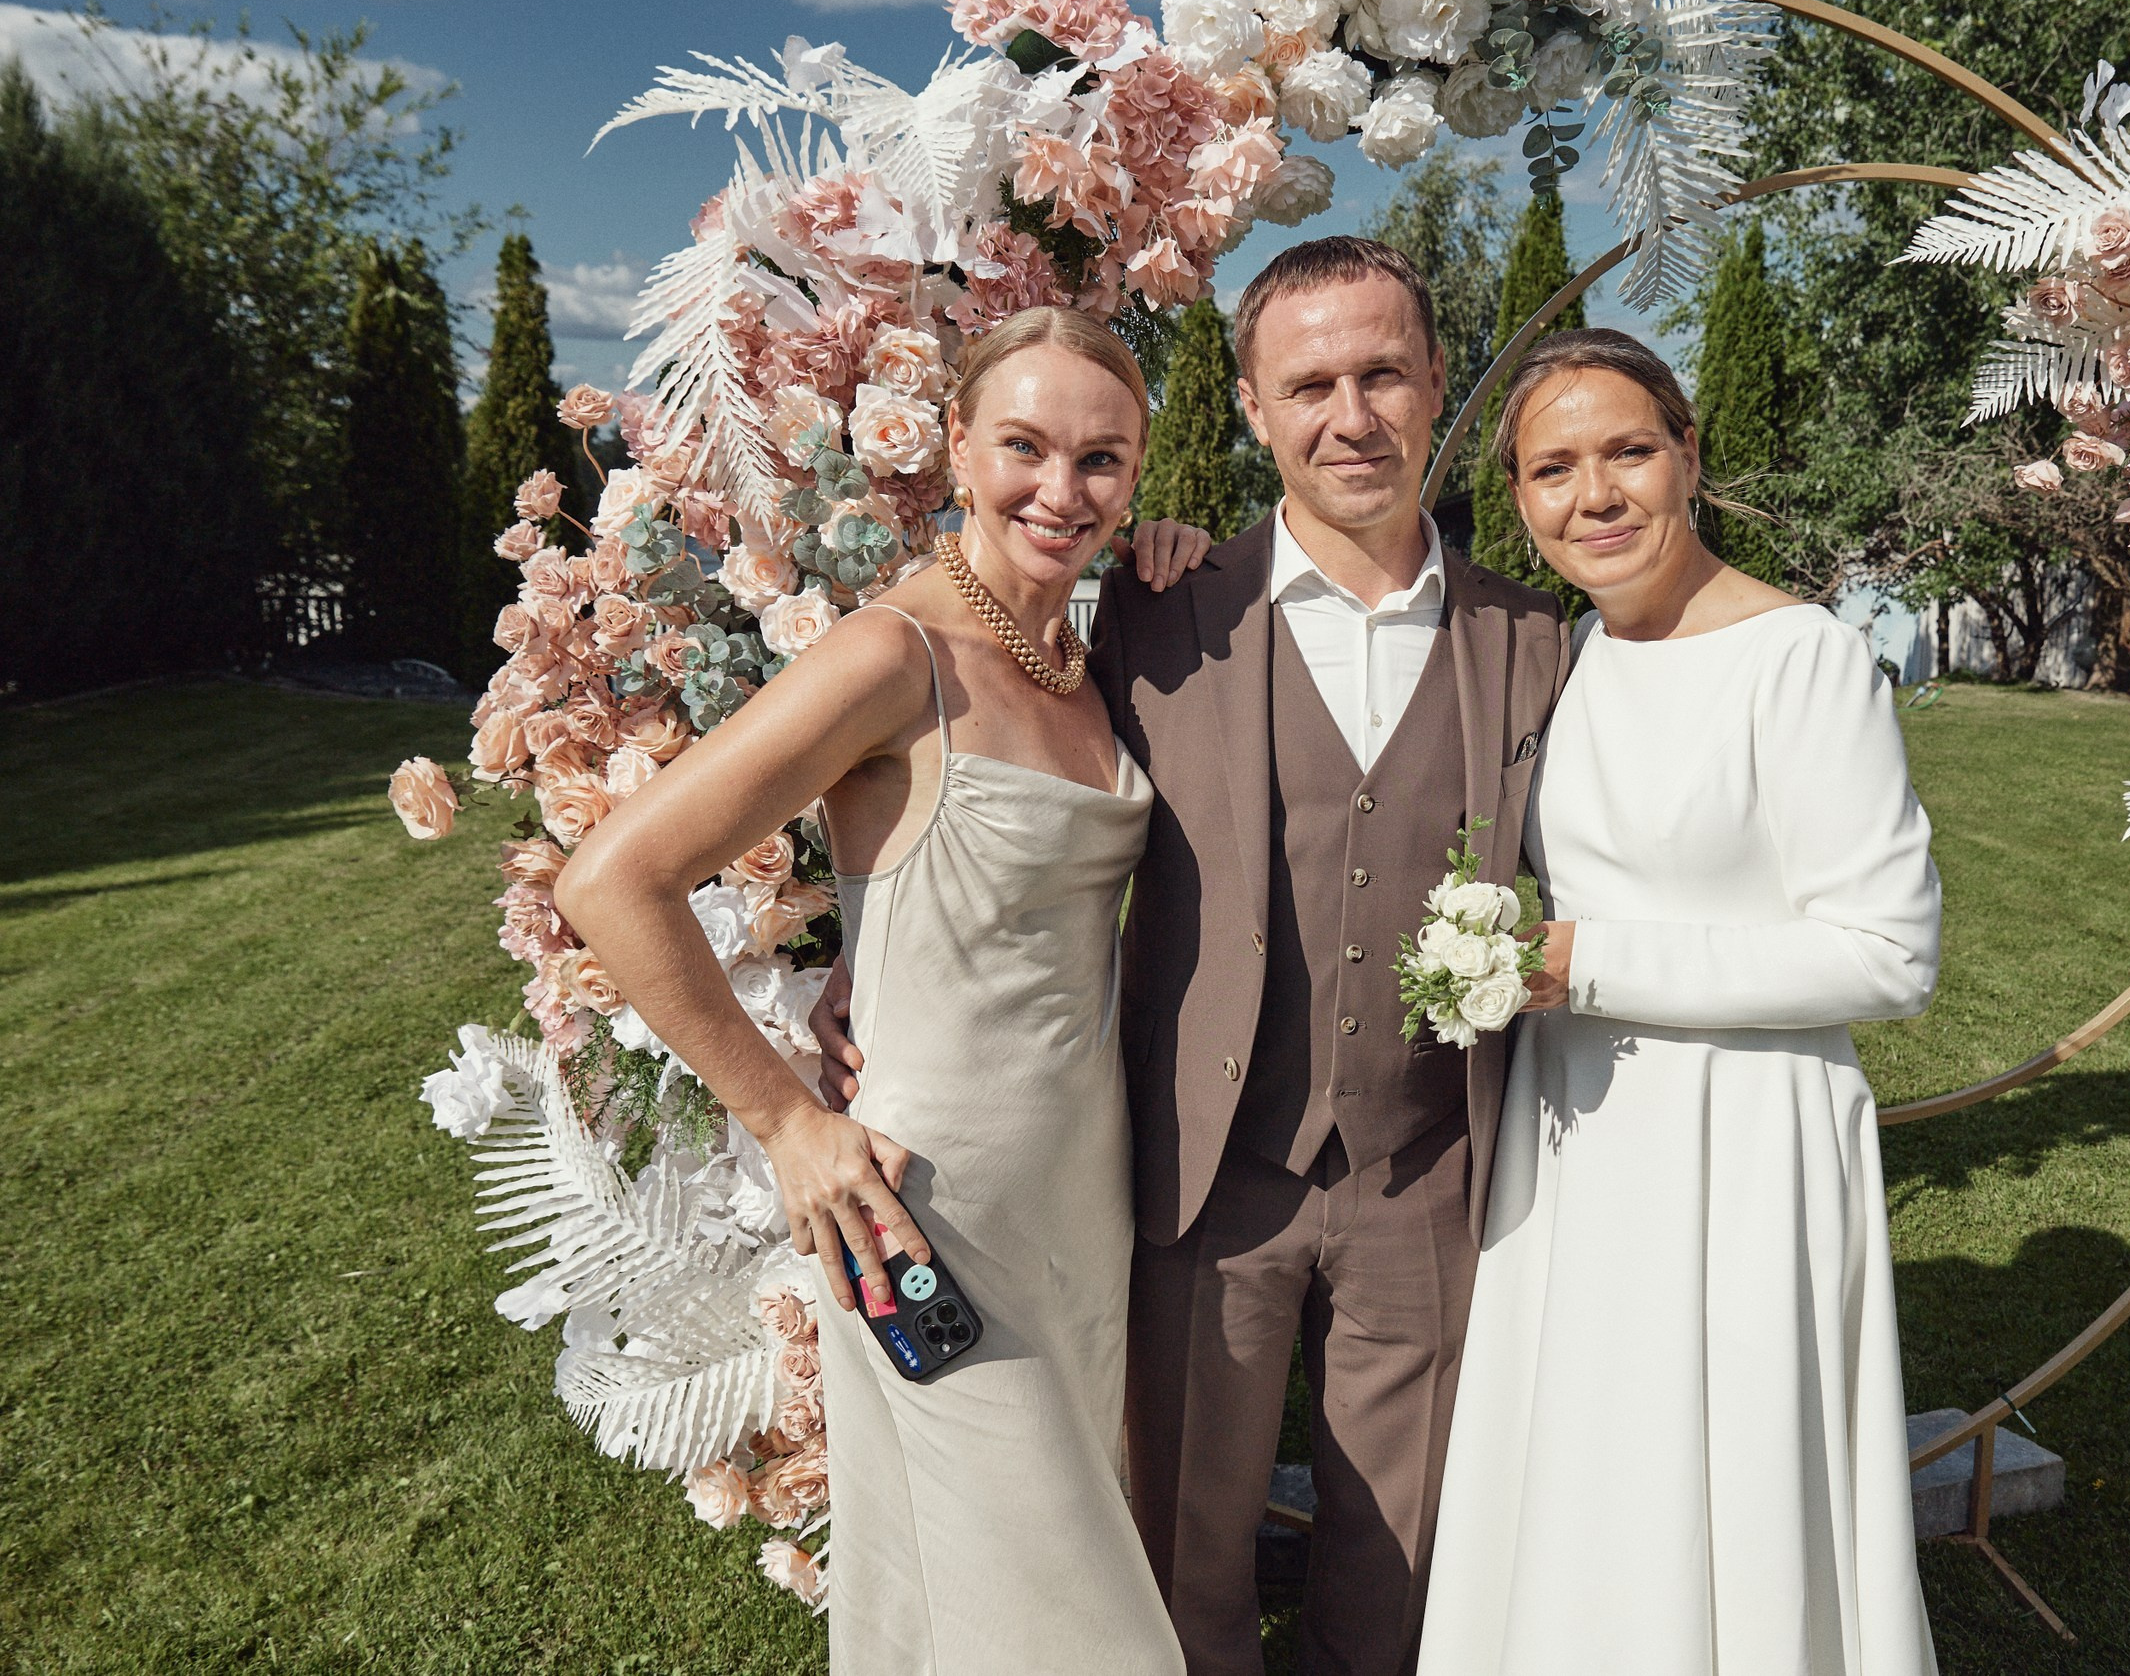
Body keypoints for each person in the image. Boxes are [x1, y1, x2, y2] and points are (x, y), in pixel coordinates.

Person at [815, 237, 1570, 1676]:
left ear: (1434, 385)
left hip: (1429, 1169)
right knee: (1178, 1550)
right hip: (1200, 1177)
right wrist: (871, 954)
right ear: (1251, 408)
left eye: (1384, 374)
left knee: (1398, 1554)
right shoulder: (1154, 612)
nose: (1350, 415)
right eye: (1311, 383)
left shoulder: (1533, 643)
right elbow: (987, 801)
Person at [554, 306, 1212, 1675]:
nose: (1062, 489)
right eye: (1024, 445)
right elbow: (613, 882)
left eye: (1104, 459)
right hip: (925, 1216)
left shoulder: (1086, 663)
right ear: (957, 446)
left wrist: (1179, 571)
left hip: (1080, 1205)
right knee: (1064, 1620)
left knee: (994, 1597)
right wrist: (790, 1121)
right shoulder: (889, 656)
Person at [1415, 330, 1943, 1676]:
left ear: (1690, 458)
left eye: (1627, 453)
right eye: (1552, 469)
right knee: (1591, 1467)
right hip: (1580, 1143)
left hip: (1743, 1142)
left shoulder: (1801, 658)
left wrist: (1580, 964)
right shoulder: (1568, 655)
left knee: (1725, 1481)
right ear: (1521, 498)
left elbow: (1891, 953)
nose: (1594, 496)